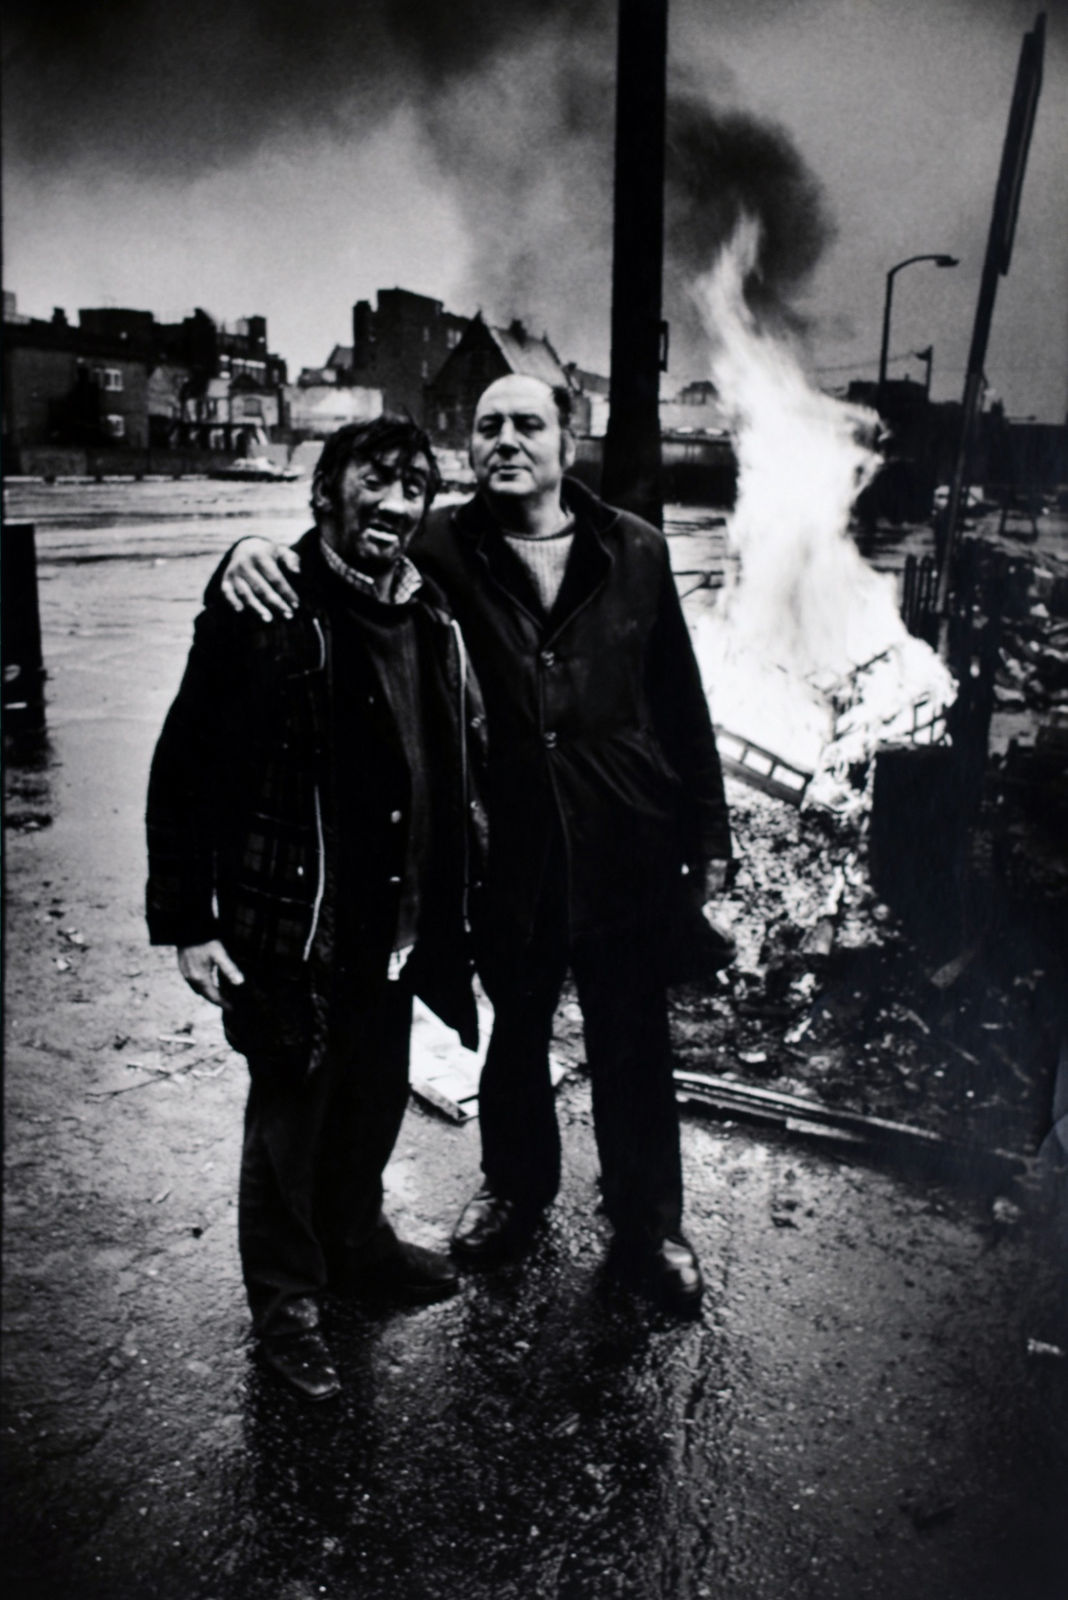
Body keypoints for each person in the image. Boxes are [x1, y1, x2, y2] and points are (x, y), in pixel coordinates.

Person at [217, 376, 732, 1315]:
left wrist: (712, 832)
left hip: (625, 836)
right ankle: (515, 1190)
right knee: (517, 1027)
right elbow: (336, 546)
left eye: (527, 424)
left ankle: (652, 1223)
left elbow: (681, 703)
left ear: (566, 442)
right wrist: (248, 552)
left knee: (631, 1035)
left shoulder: (636, 549)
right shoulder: (442, 542)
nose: (506, 440)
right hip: (510, 844)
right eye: (488, 424)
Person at [146, 417, 486, 1400]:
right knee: (290, 1119)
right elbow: (187, 765)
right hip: (295, 929)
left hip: (396, 927)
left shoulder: (430, 610)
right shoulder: (267, 603)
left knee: (373, 1100)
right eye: (374, 481)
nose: (395, 503)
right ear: (327, 491)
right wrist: (189, 921)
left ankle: (357, 1244)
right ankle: (287, 1303)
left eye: (414, 486)